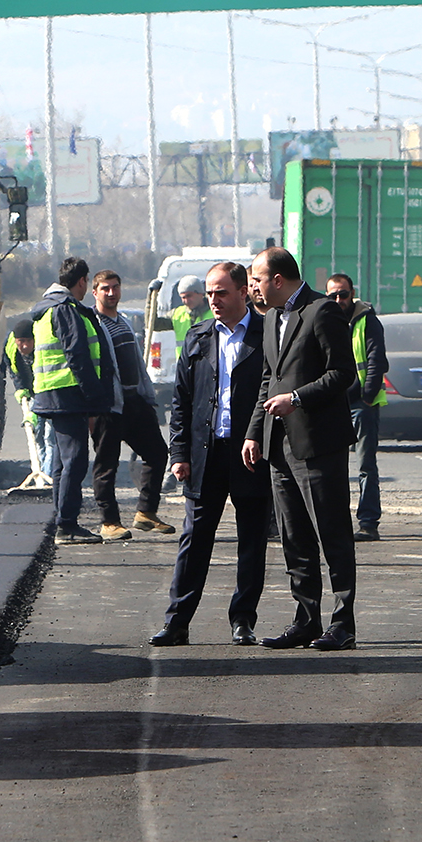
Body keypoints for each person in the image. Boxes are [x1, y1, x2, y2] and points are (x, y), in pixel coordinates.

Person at [242, 248, 358, 651]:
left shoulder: (322, 311)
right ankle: (306, 619)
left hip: (317, 442)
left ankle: (343, 625)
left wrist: (298, 398)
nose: (251, 285)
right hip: (279, 445)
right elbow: (267, 381)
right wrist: (254, 433)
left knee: (332, 533)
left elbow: (343, 374)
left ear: (277, 279)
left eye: (256, 278)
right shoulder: (271, 316)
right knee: (295, 538)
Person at [150, 262, 270, 646]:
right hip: (206, 453)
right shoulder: (199, 337)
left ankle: (243, 620)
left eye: (221, 292)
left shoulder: (267, 335)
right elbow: (181, 402)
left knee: (252, 538)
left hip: (251, 453)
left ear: (242, 292)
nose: (214, 300)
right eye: (210, 292)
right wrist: (179, 453)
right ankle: (177, 621)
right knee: (195, 537)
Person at [31, 258, 114, 544]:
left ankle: (61, 519)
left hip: (52, 394)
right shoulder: (65, 310)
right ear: (81, 282)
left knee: (62, 462)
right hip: (66, 394)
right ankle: (66, 525)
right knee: (75, 459)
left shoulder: (46, 309)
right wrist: (95, 396)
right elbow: (77, 354)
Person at [89, 270, 175, 541]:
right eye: (105, 288)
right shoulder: (93, 324)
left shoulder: (123, 322)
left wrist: (146, 395)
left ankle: (146, 514)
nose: (111, 293)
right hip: (108, 406)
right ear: (95, 292)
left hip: (134, 401)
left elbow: (137, 363)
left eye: (115, 287)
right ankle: (109, 521)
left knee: (158, 453)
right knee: (107, 465)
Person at [326, 273, 388, 542]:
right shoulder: (324, 320)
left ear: (353, 294)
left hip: (361, 405)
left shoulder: (367, 321)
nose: (339, 300)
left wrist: (367, 396)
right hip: (332, 404)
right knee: (332, 468)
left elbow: (376, 361)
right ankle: (335, 523)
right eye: (333, 296)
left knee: (365, 466)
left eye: (343, 294)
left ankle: (368, 522)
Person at [5, 318, 50, 475]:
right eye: (20, 341)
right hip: (32, 394)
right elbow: (14, 369)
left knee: (50, 438)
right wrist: (20, 389)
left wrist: (36, 409)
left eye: (28, 341)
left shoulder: (43, 349)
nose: (24, 346)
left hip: (48, 393)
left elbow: (43, 379)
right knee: (37, 436)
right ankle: (41, 472)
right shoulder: (10, 347)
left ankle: (49, 475)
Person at [162, 274, 213, 347]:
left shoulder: (215, 312)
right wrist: (151, 297)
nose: (186, 301)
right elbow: (152, 324)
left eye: (189, 296)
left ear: (200, 294)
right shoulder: (177, 314)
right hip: (185, 358)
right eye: (183, 297)